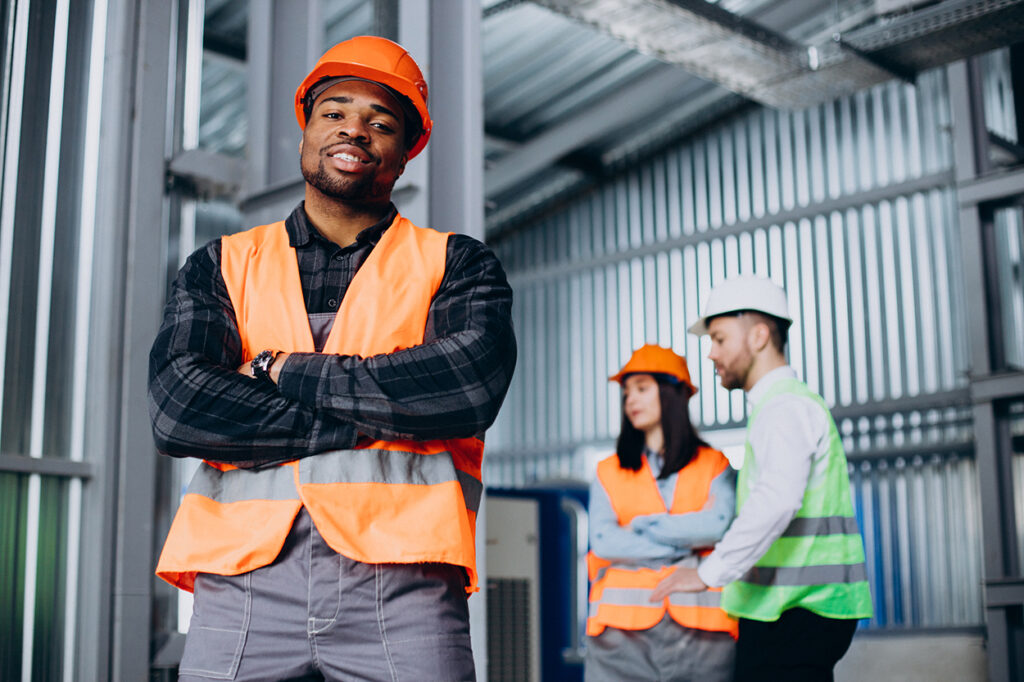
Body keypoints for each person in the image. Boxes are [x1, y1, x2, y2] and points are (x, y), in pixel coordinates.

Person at [148, 36, 516, 681]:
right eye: (336, 112)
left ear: (406, 153)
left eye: (382, 123)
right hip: (242, 584)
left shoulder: (457, 263)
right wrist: (384, 415)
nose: (356, 130)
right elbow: (181, 409)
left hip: (404, 587)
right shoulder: (221, 264)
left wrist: (277, 368)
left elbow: (464, 391)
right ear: (305, 132)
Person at [650, 275, 873, 681]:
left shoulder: (784, 407)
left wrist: (707, 573)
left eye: (719, 339)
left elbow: (777, 500)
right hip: (794, 609)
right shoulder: (781, 406)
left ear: (758, 336)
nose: (712, 353)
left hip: (795, 610)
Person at [586, 344, 738, 682]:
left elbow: (719, 524)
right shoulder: (607, 471)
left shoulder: (714, 464)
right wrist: (687, 545)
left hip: (702, 632)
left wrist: (643, 527)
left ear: (672, 393)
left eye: (641, 388)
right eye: (626, 393)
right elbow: (604, 541)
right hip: (619, 636)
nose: (630, 401)